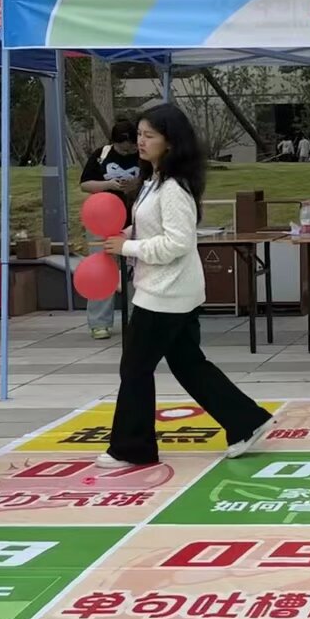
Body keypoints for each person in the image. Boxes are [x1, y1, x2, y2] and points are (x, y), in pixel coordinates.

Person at [99, 104, 273, 466]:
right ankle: (246, 420)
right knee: (189, 364)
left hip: (165, 293)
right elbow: (155, 227)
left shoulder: (173, 187)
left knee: (135, 368)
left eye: (149, 136)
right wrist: (129, 234)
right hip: (167, 289)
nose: (141, 141)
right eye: (139, 134)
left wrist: (128, 248)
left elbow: (178, 242)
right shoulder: (154, 180)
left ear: (171, 142)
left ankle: (132, 447)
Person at [80, 120, 142, 341]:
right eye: (122, 149)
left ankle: (137, 319)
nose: (127, 152)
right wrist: (109, 185)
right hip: (102, 218)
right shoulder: (101, 155)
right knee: (102, 268)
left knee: (137, 267)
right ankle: (99, 323)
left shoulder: (143, 156)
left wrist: (135, 184)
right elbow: (85, 184)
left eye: (131, 148)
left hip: (134, 217)